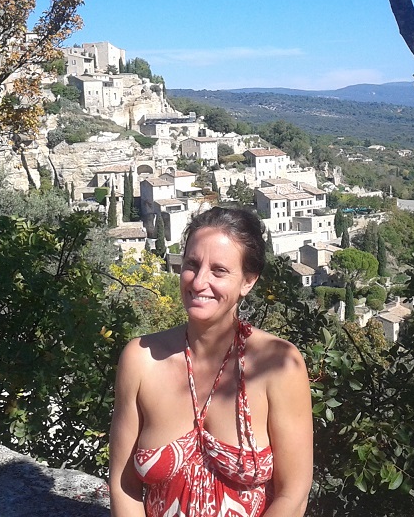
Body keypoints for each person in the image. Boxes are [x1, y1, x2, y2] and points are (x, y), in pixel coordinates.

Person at [109, 206, 313, 517]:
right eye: (192, 264)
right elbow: (124, 486)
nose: (199, 281)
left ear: (248, 282)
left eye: (219, 270)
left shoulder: (279, 365)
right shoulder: (141, 360)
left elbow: (293, 493)